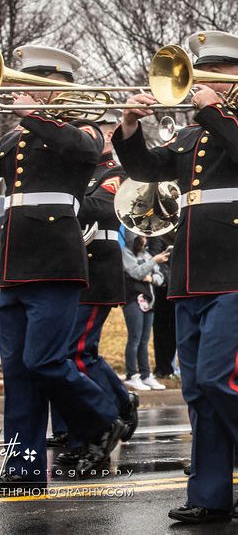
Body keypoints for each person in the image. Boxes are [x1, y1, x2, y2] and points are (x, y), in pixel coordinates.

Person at [112, 30, 238, 525]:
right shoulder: (190, 133)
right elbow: (148, 169)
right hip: (192, 268)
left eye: (216, 74)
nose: (201, 83)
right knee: (196, 389)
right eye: (201, 72)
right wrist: (129, 128)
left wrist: (214, 110)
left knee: (219, 375)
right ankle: (208, 495)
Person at [0, 45, 124, 494]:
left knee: (45, 359)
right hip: (11, 262)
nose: (21, 95)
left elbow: (80, 148)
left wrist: (35, 117)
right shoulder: (15, 138)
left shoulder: (84, 130)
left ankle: (102, 415)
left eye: (32, 87)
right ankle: (22, 465)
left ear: (58, 91)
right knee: (17, 370)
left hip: (54, 259)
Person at [49, 108, 139, 464]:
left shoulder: (116, 172)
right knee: (77, 351)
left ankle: (110, 411)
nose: (88, 134)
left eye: (98, 128)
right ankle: (113, 406)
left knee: (78, 350)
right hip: (70, 265)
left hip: (98, 266)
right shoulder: (76, 170)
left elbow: (100, 208)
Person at [121, 233, 168, 391]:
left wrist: (151, 277)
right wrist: (153, 262)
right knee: (134, 338)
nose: (145, 240)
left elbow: (160, 277)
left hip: (150, 300)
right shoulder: (126, 253)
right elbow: (136, 272)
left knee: (144, 340)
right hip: (133, 300)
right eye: (142, 237)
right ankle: (132, 375)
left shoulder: (146, 254)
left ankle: (146, 375)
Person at [150, 231, 177, 378]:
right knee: (162, 328)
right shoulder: (159, 234)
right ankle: (162, 367)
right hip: (163, 287)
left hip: (175, 285)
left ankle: (168, 367)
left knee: (173, 329)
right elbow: (156, 257)